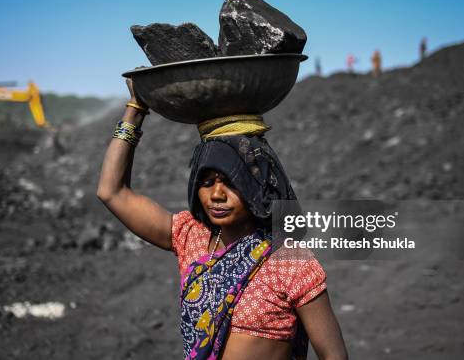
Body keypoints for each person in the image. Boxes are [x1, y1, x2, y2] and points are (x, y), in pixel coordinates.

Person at [97, 79, 348, 360]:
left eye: (230, 182)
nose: (217, 194)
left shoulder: (288, 260)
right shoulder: (190, 237)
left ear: (256, 185)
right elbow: (111, 191)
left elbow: (334, 356)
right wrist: (136, 108)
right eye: (207, 182)